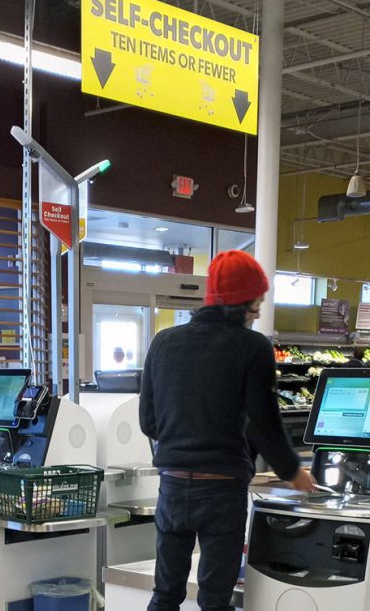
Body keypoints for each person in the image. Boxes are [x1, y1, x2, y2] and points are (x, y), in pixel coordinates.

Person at [139, 250, 316, 611]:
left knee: (166, 594)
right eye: (256, 305)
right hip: (222, 490)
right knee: (215, 600)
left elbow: (149, 422)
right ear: (242, 302)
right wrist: (293, 473)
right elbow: (264, 423)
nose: (258, 313)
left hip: (172, 485)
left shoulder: (164, 342)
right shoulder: (253, 347)